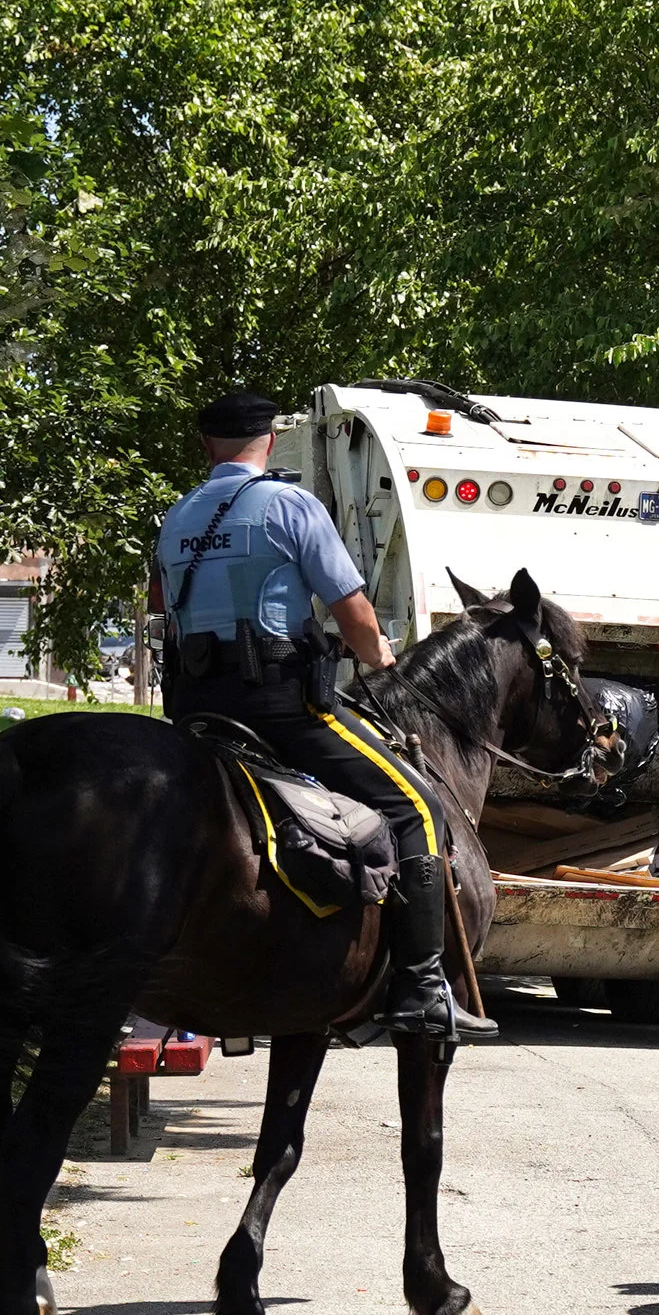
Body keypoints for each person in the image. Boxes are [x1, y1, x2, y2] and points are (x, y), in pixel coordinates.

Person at [154, 388, 493, 1042]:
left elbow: (165, 610)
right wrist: (380, 659)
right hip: (278, 711)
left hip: (196, 710)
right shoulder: (289, 505)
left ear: (206, 446)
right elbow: (354, 611)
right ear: (270, 443)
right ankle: (424, 987)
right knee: (417, 807)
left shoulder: (178, 518)